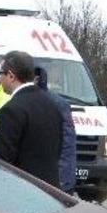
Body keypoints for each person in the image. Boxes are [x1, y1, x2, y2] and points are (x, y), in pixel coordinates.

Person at [0, 51, 63, 187]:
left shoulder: (10, 110)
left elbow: (1, 163)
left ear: (11, 76)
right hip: (52, 193)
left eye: (1, 73)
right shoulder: (52, 105)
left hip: (22, 193)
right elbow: (57, 151)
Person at [35, 66, 77, 194]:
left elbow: (67, 143)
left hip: (54, 179)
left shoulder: (55, 104)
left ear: (36, 79)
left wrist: (61, 179)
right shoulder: (29, 101)